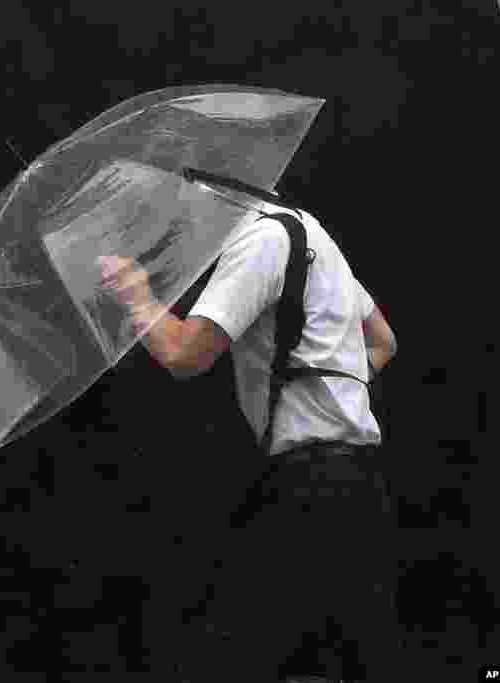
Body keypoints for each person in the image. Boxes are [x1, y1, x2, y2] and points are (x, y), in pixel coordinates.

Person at [98, 193, 399, 682]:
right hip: (361, 487)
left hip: (309, 493)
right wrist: (332, 391)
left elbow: (184, 355)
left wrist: (138, 296)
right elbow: (383, 341)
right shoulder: (309, 230)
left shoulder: (257, 242)